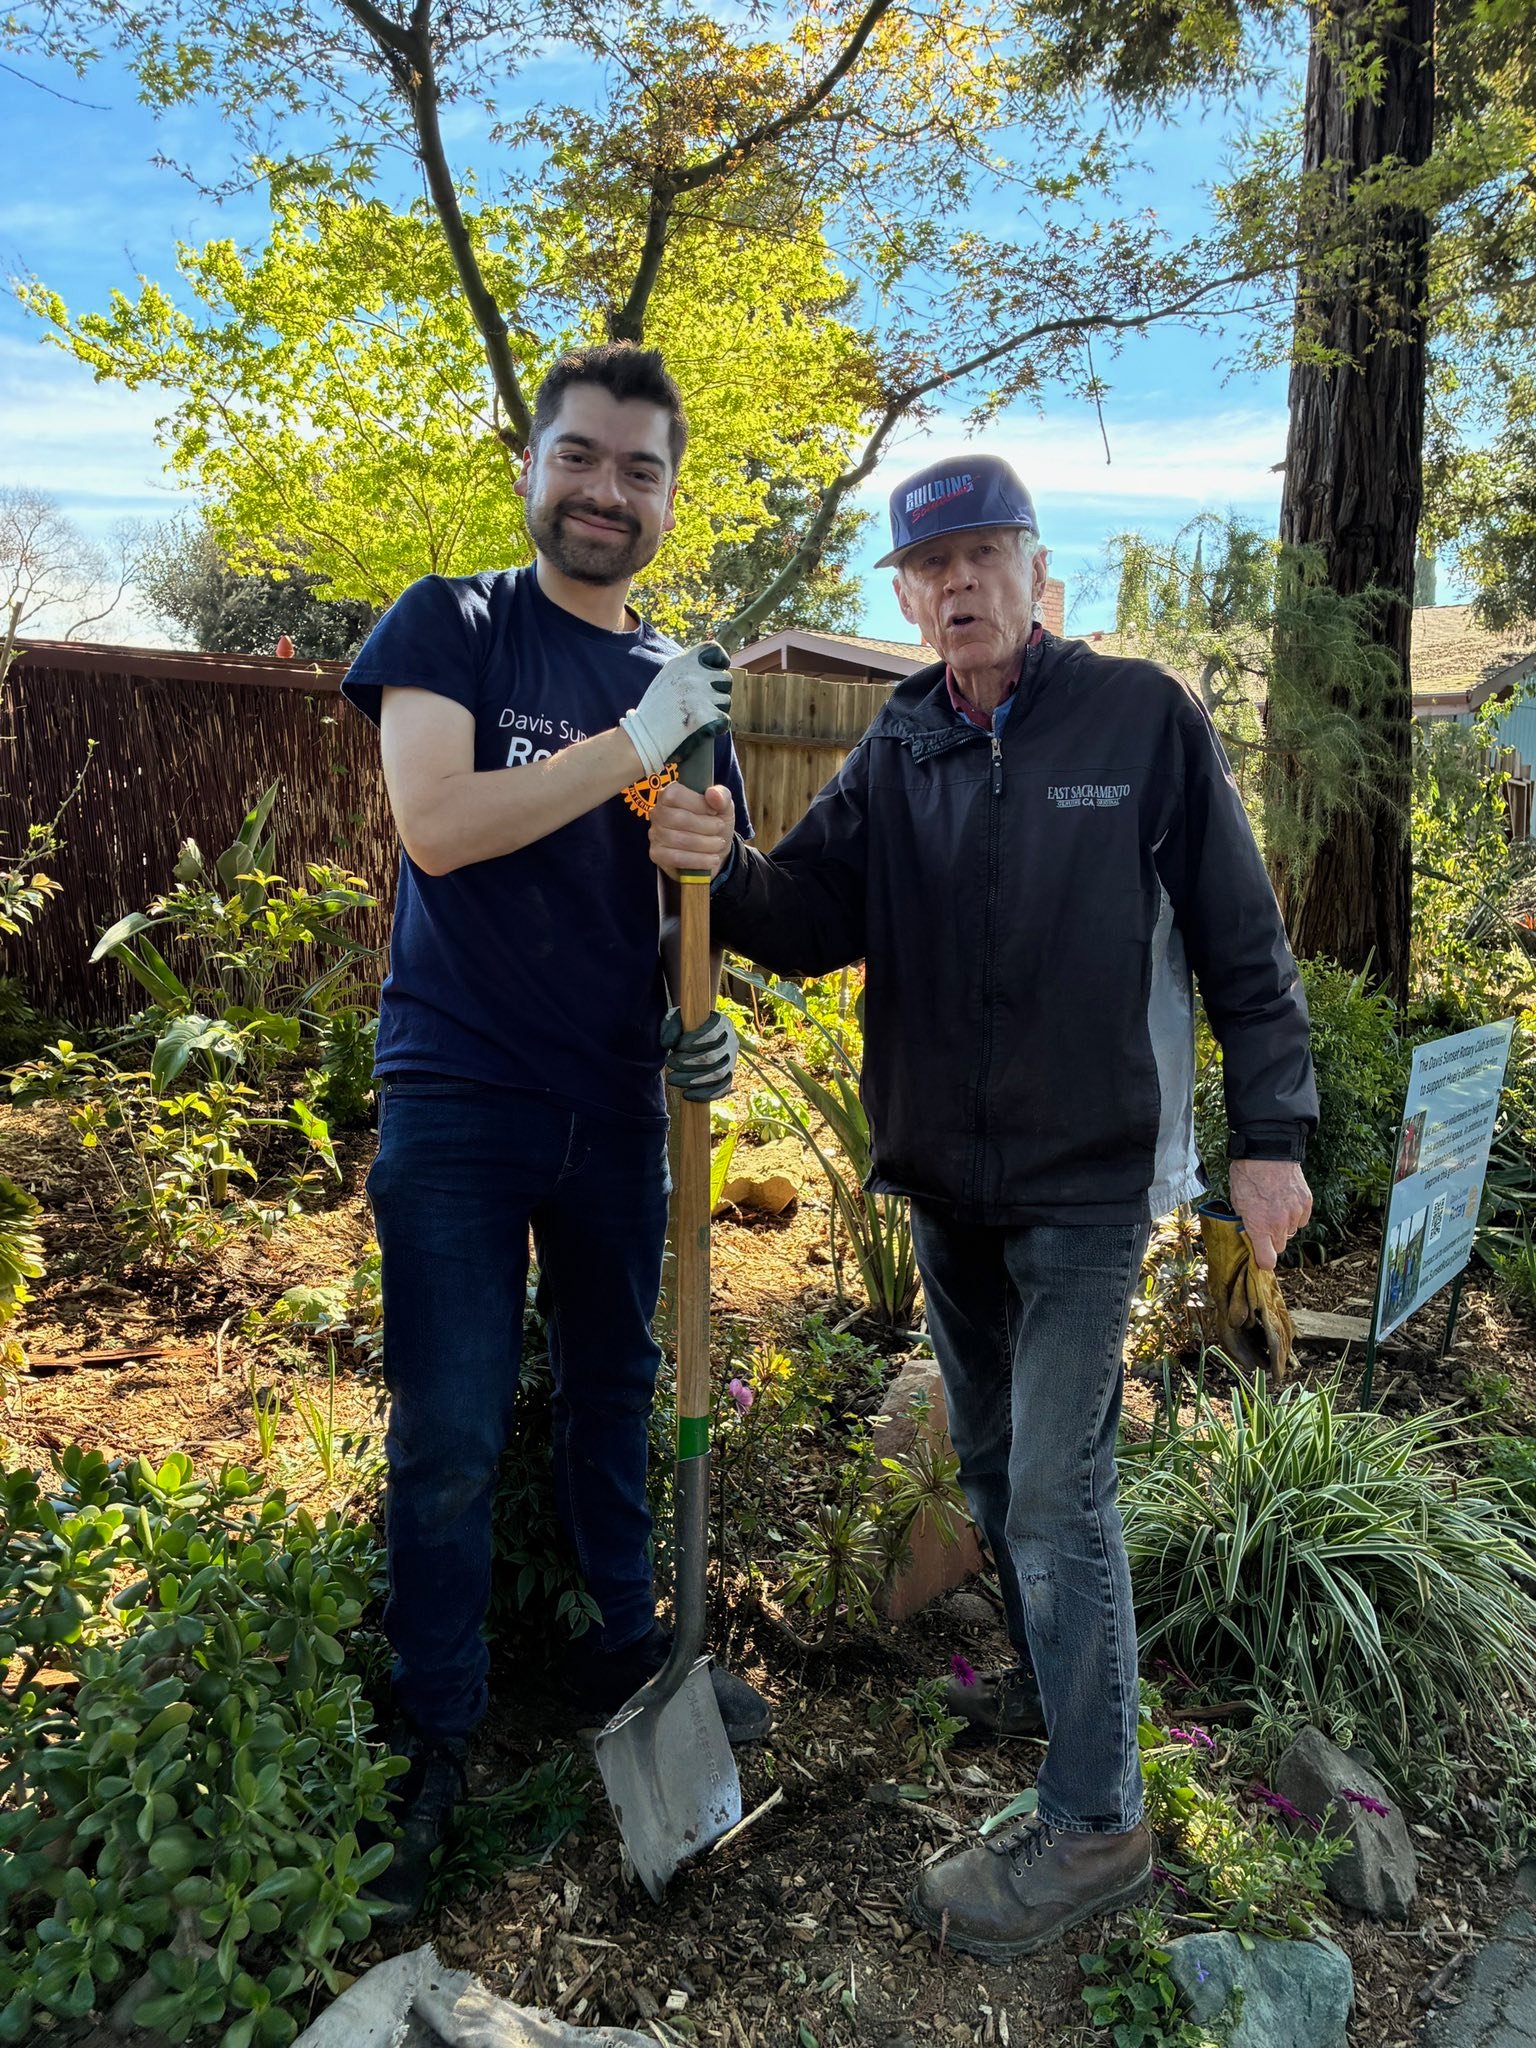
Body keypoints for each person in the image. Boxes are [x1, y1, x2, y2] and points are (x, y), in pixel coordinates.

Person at [647, 453, 1317, 1959]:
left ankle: (1097, 1827)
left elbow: (1242, 939)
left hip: (1090, 1181)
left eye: (981, 558)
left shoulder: (1138, 716)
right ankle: (1061, 1705)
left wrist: (1271, 1133)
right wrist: (709, 850)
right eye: (927, 571)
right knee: (1005, 1454)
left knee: (1054, 1489)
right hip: (949, 1186)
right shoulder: (899, 749)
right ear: (905, 595)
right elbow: (810, 919)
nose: (955, 589)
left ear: (1033, 569)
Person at [342, 342, 770, 1926]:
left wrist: (697, 996)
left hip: (610, 1105)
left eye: (640, 469)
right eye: (581, 458)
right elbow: (440, 830)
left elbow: (694, 898)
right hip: (458, 1096)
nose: (608, 490)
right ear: (534, 469)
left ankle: (620, 1640)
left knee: (616, 1389)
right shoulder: (450, 624)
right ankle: (432, 1728)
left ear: (667, 495)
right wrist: (638, 744)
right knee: (448, 1431)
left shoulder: (684, 690)